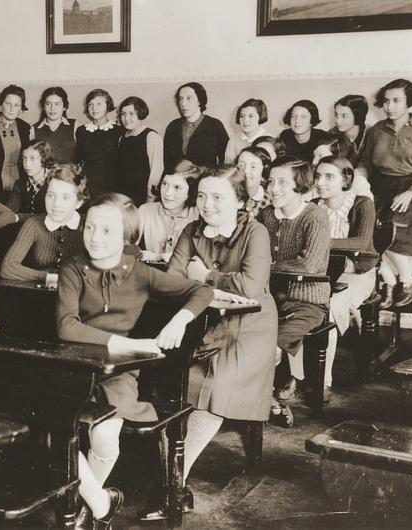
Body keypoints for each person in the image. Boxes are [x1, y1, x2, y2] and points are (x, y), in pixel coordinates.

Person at [57, 193, 214, 529]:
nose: (95, 237)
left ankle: (84, 509)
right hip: (72, 367)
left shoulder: (140, 273)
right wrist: (130, 344)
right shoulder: (72, 268)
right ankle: (101, 504)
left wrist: (179, 321)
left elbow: (202, 291)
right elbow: (67, 327)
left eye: (107, 230)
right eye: (90, 227)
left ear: (126, 236)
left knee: (105, 437)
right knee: (53, 430)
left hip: (119, 373)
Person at [167, 165, 278, 513]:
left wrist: (204, 276)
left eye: (218, 197)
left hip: (250, 327)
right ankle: (172, 477)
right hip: (204, 322)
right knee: (173, 384)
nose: (207, 204)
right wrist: (204, 284)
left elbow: (250, 287)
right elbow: (172, 279)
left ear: (240, 201)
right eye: (201, 195)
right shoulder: (192, 230)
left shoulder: (255, 232)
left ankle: (172, 481)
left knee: (216, 387)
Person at [260, 156, 330, 427]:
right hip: (271, 299)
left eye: (282, 182)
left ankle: (266, 396)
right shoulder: (267, 215)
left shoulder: (315, 216)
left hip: (307, 302)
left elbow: (309, 264)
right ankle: (263, 396)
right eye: (271, 181)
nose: (273, 188)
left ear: (300, 185)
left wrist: (266, 265)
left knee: (275, 340)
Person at [358, 78, 412, 308]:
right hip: (380, 188)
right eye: (386, 101)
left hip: (410, 190)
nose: (389, 107)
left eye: (396, 101)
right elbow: (365, 162)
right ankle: (389, 281)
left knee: (391, 238)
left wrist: (411, 191)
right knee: (369, 237)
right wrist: (360, 177)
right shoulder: (377, 130)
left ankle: (407, 280)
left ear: (409, 102)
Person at [312, 156, 377, 402]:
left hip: (356, 272)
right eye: (318, 176)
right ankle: (295, 375)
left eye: (329, 177)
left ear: (346, 179)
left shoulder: (361, 204)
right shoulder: (314, 206)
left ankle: (323, 382)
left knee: (329, 308)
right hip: (324, 272)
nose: (321, 182)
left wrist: (319, 242)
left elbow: (360, 242)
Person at [0, 163, 87, 283]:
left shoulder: (88, 225)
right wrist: (47, 277)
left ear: (79, 202)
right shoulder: (33, 224)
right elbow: (7, 268)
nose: (56, 204)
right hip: (37, 293)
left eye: (65, 197)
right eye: (51, 195)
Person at [137, 160, 199, 263]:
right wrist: (156, 257)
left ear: (191, 191)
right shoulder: (145, 211)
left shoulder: (198, 216)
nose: (167, 193)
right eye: (164, 184)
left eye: (177, 187)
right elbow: (126, 248)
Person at [163, 82, 229, 171]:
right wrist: (176, 167)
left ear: (200, 101)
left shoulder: (215, 126)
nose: (183, 103)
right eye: (181, 99)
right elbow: (166, 161)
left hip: (206, 178)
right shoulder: (173, 126)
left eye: (188, 98)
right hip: (176, 178)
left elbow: (225, 163)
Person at [0, 85, 32, 201]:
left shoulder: (25, 127)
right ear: (1, 104)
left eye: (16, 105)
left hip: (20, 183)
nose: (12, 109)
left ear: (21, 108)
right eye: (8, 103)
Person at [115, 96, 163, 206]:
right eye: (123, 114)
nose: (126, 118)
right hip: (124, 197)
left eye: (131, 114)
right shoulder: (122, 138)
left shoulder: (151, 137)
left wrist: (150, 199)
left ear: (140, 114)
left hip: (143, 199)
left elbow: (156, 172)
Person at [75, 88, 123, 198]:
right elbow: (78, 160)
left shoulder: (118, 130)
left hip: (112, 186)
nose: (94, 108)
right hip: (88, 186)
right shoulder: (81, 131)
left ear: (108, 106)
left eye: (99, 104)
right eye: (90, 104)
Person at [311, 133, 372, 199]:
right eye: (314, 156)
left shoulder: (357, 183)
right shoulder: (314, 182)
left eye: (320, 156)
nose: (314, 162)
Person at [7, 140, 56, 218]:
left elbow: (53, 216)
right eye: (24, 158)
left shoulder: (55, 183)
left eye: (32, 158)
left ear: (44, 159)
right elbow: (9, 212)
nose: (27, 164)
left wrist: (19, 217)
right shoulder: (20, 184)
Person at [33, 86, 77, 163]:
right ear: (43, 107)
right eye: (48, 104)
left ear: (64, 107)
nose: (52, 108)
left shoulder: (75, 126)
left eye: (57, 104)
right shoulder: (33, 129)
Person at [225, 98, 270, 163]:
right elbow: (229, 166)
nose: (245, 120)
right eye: (242, 116)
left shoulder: (269, 141)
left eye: (250, 116)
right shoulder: (233, 140)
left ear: (260, 117)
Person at [330, 95, 369, 163]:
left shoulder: (372, 133)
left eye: (344, 116)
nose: (338, 121)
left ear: (358, 116)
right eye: (336, 115)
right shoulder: (331, 135)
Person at [235, 146, 271, 219]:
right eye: (241, 165)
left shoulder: (269, 201)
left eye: (253, 167)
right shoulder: (227, 195)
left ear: (263, 174)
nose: (246, 171)